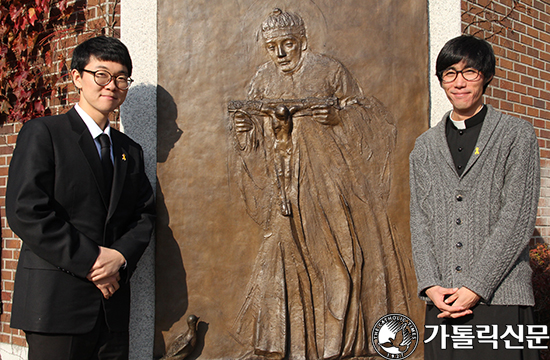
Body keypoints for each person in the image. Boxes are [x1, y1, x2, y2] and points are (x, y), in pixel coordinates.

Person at [231, 9, 411, 359]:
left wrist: (339, 119)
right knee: (289, 259)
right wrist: (245, 130)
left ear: (302, 41)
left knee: (341, 259)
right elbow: (250, 131)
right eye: (272, 47)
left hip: (331, 181)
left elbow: (372, 117)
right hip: (284, 184)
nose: (280, 54)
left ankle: (338, 345)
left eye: (287, 44)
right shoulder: (263, 79)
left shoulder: (328, 70)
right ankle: (293, 347)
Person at [6, 36, 156, 360]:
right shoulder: (44, 133)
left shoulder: (130, 150)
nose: (111, 85)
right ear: (77, 77)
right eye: (101, 75)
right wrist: (92, 260)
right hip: (56, 306)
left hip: (112, 310)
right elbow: (26, 211)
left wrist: (120, 258)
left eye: (121, 78)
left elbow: (145, 215)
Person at [409, 34, 540, 359]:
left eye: (470, 72)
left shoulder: (516, 135)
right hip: (442, 302)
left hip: (502, 300)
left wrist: (475, 287)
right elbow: (420, 220)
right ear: (441, 80)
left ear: (487, 76)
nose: (459, 81)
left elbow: (518, 220)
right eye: (450, 73)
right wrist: (430, 284)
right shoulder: (424, 147)